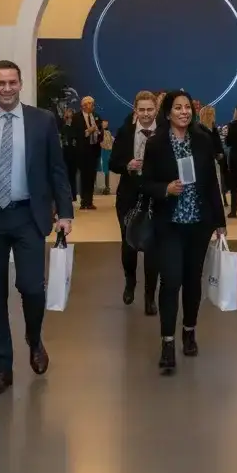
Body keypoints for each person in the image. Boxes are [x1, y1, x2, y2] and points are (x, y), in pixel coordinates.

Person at [0, 60, 74, 397]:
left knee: (32, 287)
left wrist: (65, 212)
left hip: (28, 216)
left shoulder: (42, 121)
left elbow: (57, 169)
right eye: (0, 83)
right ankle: (2, 369)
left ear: (20, 84)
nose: (6, 89)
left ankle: (34, 338)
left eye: (12, 83)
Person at [141, 90, 226, 374]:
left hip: (198, 224)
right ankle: (167, 342)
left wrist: (220, 222)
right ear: (168, 113)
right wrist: (165, 189)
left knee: (192, 281)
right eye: (177, 108)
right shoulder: (156, 144)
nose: (183, 112)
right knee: (171, 281)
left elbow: (212, 184)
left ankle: (189, 331)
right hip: (169, 225)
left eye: (187, 107)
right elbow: (146, 184)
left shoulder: (202, 140)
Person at [110, 90, 160, 312]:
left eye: (150, 109)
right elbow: (113, 163)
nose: (146, 114)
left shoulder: (164, 132)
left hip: (155, 197)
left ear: (156, 110)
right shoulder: (125, 132)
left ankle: (150, 297)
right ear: (135, 110)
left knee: (153, 248)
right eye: (142, 110)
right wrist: (127, 165)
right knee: (128, 243)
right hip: (129, 197)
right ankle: (130, 283)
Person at [72, 96, 102, 210]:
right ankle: (83, 201)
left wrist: (98, 132)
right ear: (83, 106)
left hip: (94, 150)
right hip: (82, 151)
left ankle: (89, 201)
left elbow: (101, 131)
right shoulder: (76, 117)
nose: (91, 106)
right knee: (84, 176)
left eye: (92, 104)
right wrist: (87, 132)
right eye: (89, 104)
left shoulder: (96, 116)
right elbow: (74, 134)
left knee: (91, 176)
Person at [60, 107, 80, 203]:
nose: (69, 119)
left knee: (72, 175)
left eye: (71, 117)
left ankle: (73, 194)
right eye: (67, 117)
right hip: (65, 154)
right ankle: (67, 194)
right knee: (65, 176)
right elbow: (62, 141)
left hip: (74, 154)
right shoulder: (63, 128)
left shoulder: (75, 129)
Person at [99, 118, 113, 194]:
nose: (105, 125)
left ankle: (107, 187)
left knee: (106, 170)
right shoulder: (99, 132)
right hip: (101, 151)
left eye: (106, 124)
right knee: (101, 169)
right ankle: (100, 187)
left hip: (108, 152)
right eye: (104, 123)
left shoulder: (108, 132)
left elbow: (110, 142)